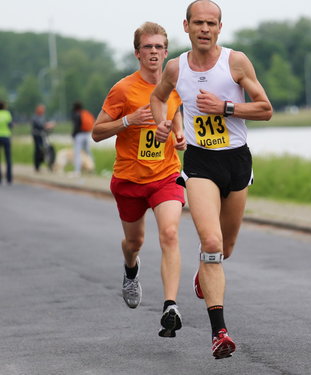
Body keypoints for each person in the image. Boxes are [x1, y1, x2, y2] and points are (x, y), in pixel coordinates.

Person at [151, 0, 272, 359]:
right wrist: (163, 124)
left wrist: (226, 107)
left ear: (220, 28)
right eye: (198, 23)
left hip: (236, 162)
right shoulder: (175, 68)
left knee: (225, 249)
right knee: (211, 241)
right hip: (200, 162)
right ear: (185, 27)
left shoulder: (235, 62)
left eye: (211, 23)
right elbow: (159, 98)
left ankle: (205, 274)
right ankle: (219, 332)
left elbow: (266, 109)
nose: (205, 29)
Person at [92, 22, 186, 338]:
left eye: (160, 47)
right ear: (137, 53)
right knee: (135, 242)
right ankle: (130, 268)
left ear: (166, 52)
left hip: (166, 176)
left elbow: (180, 111)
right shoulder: (123, 89)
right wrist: (129, 120)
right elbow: (96, 132)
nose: (154, 52)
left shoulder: (175, 83)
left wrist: (181, 134)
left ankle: (170, 305)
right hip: (130, 179)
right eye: (148, 47)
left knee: (170, 233)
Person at [71, 101, 95, 175]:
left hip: (79, 135)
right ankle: (92, 169)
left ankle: (77, 171)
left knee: (77, 153)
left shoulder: (76, 115)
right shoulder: (85, 113)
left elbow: (76, 127)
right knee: (88, 152)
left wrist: (73, 135)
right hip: (87, 134)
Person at [31, 104, 55, 172]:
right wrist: (46, 125)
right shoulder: (35, 117)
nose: (43, 111)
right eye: (41, 110)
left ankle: (50, 164)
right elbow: (39, 125)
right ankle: (37, 166)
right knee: (38, 150)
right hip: (37, 136)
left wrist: (50, 126)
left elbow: (46, 125)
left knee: (48, 148)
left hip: (44, 135)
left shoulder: (44, 117)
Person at [0, 101, 14, 185]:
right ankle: (9, 178)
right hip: (6, 137)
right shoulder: (7, 114)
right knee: (8, 158)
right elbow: (10, 125)